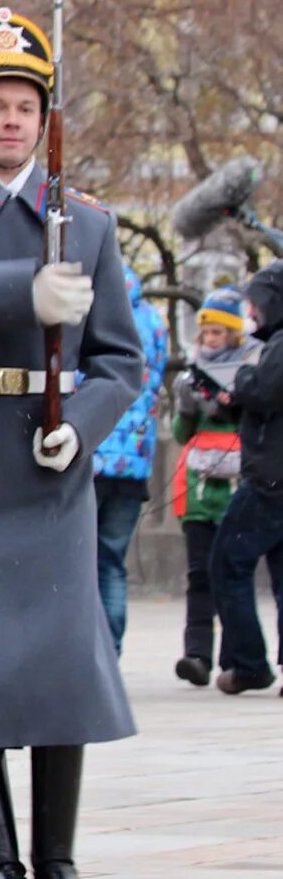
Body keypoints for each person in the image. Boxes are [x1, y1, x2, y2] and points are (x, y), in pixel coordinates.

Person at [0, 7, 141, 879]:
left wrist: (80, 430)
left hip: (47, 464)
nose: (12, 121)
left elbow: (121, 360)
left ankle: (56, 856)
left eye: (25, 106)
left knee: (54, 672)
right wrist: (21, 290)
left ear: (45, 118)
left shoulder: (86, 222)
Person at [170, 289, 260, 686]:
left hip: (238, 488)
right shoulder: (192, 375)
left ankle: (234, 657)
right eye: (206, 332)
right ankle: (197, 654)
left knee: (232, 575)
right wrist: (187, 404)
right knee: (199, 575)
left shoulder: (253, 371)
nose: (210, 340)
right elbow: (180, 433)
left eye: (218, 333)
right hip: (199, 490)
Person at [209, 263, 283, 695]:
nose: (251, 311)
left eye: (255, 302)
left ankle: (249, 663)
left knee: (227, 564)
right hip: (274, 473)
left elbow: (264, 390)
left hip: (270, 480)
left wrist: (239, 378)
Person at [91, 268, 168, 653]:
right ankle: (114, 648)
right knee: (113, 561)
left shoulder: (92, 308)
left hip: (92, 456)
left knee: (83, 561)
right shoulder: (152, 319)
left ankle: (93, 651)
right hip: (135, 463)